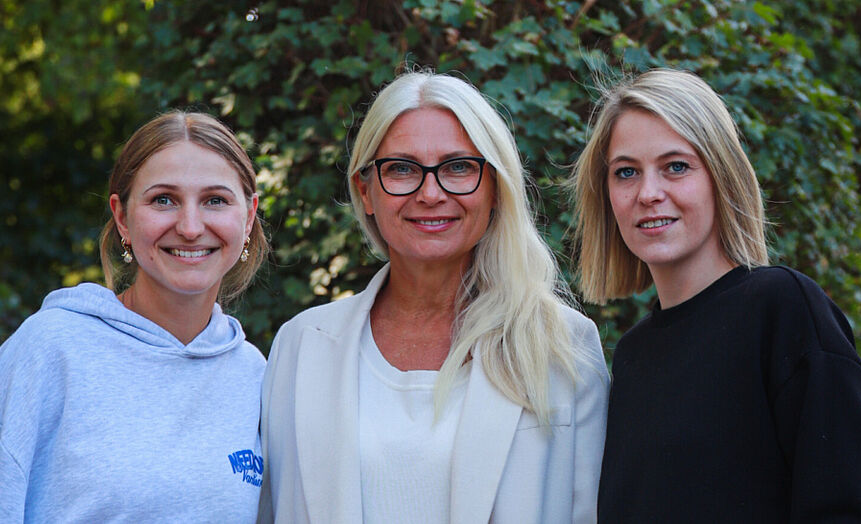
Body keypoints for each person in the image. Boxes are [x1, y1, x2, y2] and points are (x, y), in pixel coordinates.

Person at [258, 70, 610, 524]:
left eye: (458, 167)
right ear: (366, 191)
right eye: (401, 168)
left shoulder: (565, 345)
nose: (430, 193)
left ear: (495, 188)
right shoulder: (301, 345)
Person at [0, 111, 269, 522]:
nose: (190, 227)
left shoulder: (255, 376)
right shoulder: (48, 352)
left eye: (215, 200)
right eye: (163, 200)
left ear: (248, 217)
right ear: (122, 217)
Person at [570, 68, 861, 522]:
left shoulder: (783, 309)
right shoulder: (632, 357)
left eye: (676, 167)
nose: (648, 193)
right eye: (626, 172)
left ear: (721, 175)